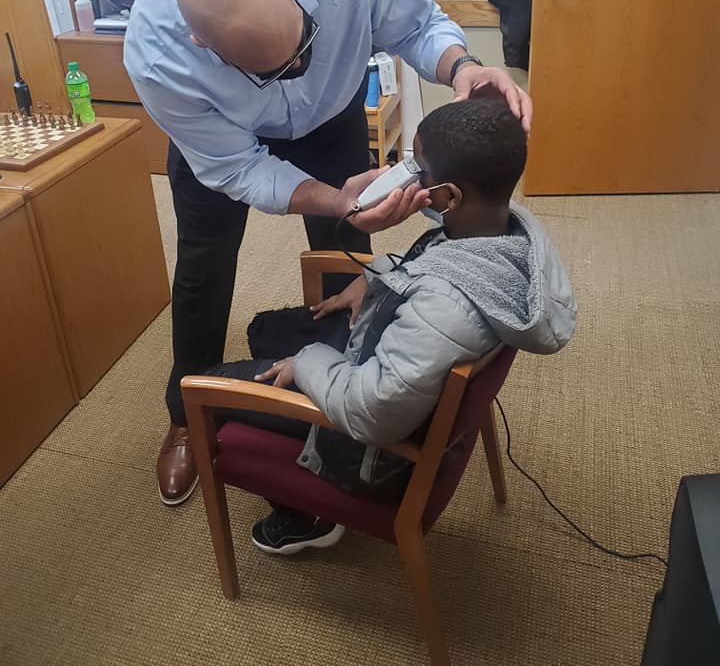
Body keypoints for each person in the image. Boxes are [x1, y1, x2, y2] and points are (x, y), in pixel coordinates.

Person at [124, 0, 533, 506]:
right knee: (202, 271)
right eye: (273, 70)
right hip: (226, 141)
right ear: (202, 45)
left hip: (332, 116)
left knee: (347, 251)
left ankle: (350, 374)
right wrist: (328, 196)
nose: (297, 70)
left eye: (306, 43)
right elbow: (239, 168)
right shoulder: (159, 57)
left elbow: (417, 25)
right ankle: (186, 413)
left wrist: (462, 67)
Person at [191, 97, 576, 555]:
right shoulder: (505, 231)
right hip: (398, 355)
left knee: (206, 385)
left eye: (418, 172)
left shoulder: (443, 312)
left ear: (449, 197)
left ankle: (308, 517)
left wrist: (308, 361)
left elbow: (370, 413)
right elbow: (436, 265)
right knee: (266, 331)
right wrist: (377, 276)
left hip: (366, 449)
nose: (406, 176)